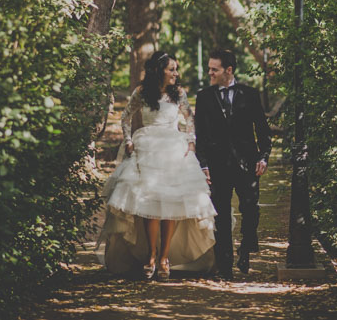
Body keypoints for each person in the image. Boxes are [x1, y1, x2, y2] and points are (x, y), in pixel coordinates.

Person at [97, 51, 217, 280]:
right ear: (159, 70)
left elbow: (190, 119)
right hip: (147, 149)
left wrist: (191, 143)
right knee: (148, 204)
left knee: (170, 204)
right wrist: (129, 141)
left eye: (176, 69)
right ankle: (150, 255)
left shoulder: (179, 94)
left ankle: (164, 257)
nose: (176, 73)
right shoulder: (141, 92)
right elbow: (125, 118)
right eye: (171, 69)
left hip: (173, 150)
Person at [194, 48, 272, 279]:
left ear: (228, 70)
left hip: (247, 164)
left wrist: (263, 157)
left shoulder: (250, 94)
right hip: (217, 166)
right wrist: (204, 164)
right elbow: (201, 134)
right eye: (209, 68)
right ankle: (225, 266)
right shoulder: (204, 96)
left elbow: (263, 131)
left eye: (214, 69)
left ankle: (246, 247)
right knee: (221, 215)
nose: (209, 72)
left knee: (250, 209)